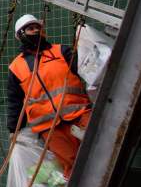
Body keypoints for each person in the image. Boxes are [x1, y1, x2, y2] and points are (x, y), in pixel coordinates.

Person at [7, 15, 92, 176]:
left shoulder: (62, 51)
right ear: (21, 34)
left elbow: (88, 71)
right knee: (72, 166)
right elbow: (15, 101)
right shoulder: (16, 67)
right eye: (31, 28)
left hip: (79, 114)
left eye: (37, 27)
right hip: (51, 128)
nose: (36, 30)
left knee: (101, 147)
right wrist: (13, 130)